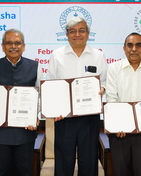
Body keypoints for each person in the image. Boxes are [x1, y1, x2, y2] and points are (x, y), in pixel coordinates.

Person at [0, 28, 43, 176]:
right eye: (9, 43)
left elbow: (40, 96)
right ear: (3, 46)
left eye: (17, 43)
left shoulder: (35, 67)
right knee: (1, 172)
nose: (13, 46)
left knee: (25, 172)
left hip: (26, 131)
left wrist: (35, 116)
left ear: (23, 46)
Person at [46, 16, 108, 176]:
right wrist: (53, 110)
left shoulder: (98, 55)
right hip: (63, 117)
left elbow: (106, 81)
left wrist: (102, 88)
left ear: (88, 34)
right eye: (72, 31)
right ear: (67, 35)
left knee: (89, 161)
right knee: (63, 162)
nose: (77, 34)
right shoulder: (57, 55)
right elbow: (50, 84)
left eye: (81, 30)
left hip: (90, 117)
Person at [106, 32, 141, 176]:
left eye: (138, 45)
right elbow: (112, 98)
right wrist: (118, 125)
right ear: (124, 48)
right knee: (120, 172)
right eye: (130, 45)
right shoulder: (114, 68)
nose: (134, 49)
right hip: (119, 133)